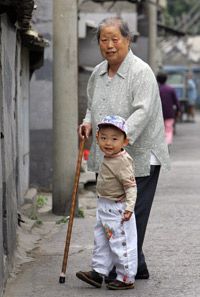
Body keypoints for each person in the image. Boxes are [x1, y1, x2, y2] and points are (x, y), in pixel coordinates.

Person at [78, 17, 170, 280]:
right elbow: (91, 106)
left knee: (130, 212)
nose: (109, 45)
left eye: (115, 39)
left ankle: (120, 268)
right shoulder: (97, 73)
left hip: (139, 156)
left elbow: (142, 112)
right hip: (107, 155)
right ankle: (132, 266)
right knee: (110, 212)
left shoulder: (140, 72)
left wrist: (118, 139)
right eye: (103, 40)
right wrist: (86, 123)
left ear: (128, 41)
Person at [76, 115, 138, 290]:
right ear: (97, 139)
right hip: (104, 205)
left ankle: (126, 277)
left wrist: (129, 207)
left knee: (121, 243)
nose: (108, 143)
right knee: (101, 241)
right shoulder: (110, 157)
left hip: (118, 208)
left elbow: (131, 187)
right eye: (103, 138)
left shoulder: (123, 161)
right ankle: (98, 272)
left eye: (114, 138)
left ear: (125, 141)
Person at [157, 71, 180, 147]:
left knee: (160, 130)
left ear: (157, 79)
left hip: (159, 114)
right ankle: (168, 143)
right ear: (166, 79)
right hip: (169, 113)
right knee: (169, 129)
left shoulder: (156, 89)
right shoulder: (171, 89)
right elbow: (176, 101)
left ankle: (161, 144)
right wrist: (178, 110)